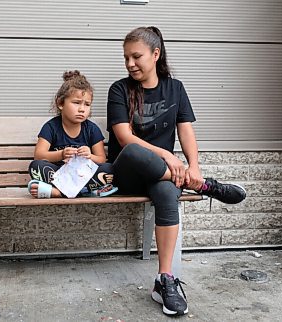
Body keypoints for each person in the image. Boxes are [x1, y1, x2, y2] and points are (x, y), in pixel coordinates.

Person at [106, 26, 246, 316]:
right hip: (128, 173)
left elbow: (186, 131)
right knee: (133, 152)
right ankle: (204, 186)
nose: (130, 63)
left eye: (136, 56)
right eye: (126, 58)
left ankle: (164, 279)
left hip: (163, 176)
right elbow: (124, 138)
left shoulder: (175, 88)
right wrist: (169, 157)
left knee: (168, 194)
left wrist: (193, 166)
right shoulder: (119, 89)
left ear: (155, 54)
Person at [28, 70, 116, 198]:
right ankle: (84, 192)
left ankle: (58, 193)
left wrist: (89, 156)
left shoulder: (92, 129)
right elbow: (39, 156)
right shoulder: (51, 127)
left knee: (109, 169)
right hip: (59, 174)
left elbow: (101, 159)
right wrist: (61, 154)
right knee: (36, 166)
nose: (82, 109)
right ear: (60, 103)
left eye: (87, 104)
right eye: (76, 102)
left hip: (83, 175)